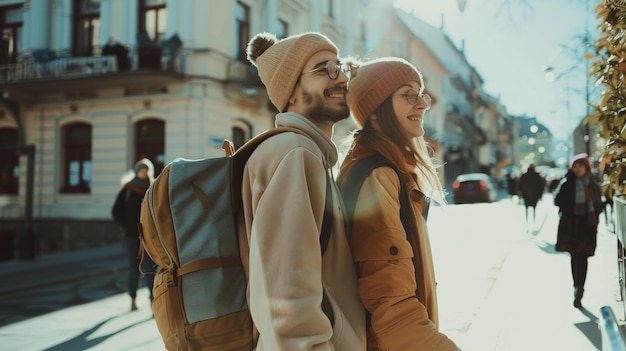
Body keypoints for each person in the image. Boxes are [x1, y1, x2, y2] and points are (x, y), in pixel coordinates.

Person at [242, 32, 366, 350]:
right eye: (323, 69)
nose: (340, 78)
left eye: (339, 67)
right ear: (291, 93)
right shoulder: (295, 152)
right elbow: (286, 293)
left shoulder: (308, 153)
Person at [337, 57, 459, 350]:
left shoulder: (390, 170)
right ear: (375, 112)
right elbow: (390, 306)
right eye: (408, 95)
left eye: (421, 93)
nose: (423, 104)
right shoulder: (378, 176)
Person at [554, 153, 602, 308]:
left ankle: (580, 287)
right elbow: (557, 201)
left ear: (586, 167)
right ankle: (577, 287)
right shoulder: (567, 183)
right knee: (575, 257)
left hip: (587, 225)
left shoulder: (592, 184)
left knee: (583, 257)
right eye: (574, 166)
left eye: (580, 166)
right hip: (571, 225)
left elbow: (598, 205)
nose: (577, 169)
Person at [111, 158, 157, 311]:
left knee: (151, 270)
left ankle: (153, 302)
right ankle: (133, 299)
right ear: (137, 172)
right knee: (134, 270)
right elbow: (116, 211)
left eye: (146, 170)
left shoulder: (154, 188)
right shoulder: (129, 189)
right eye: (141, 170)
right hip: (131, 237)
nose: (144, 172)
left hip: (150, 237)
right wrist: (128, 226)